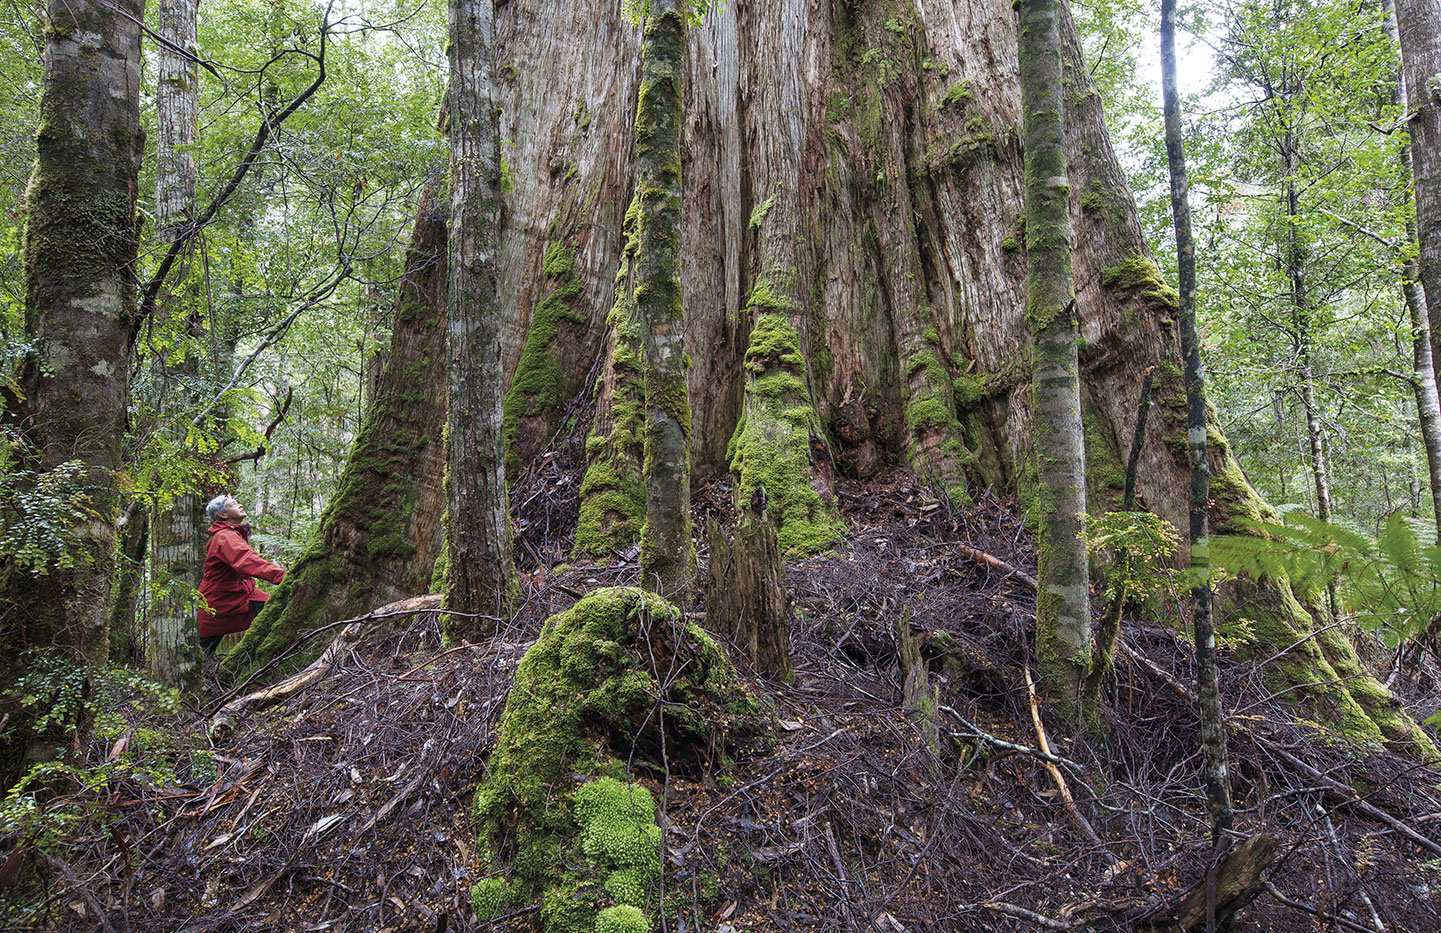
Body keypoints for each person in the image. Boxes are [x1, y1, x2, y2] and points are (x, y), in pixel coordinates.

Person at [197, 494, 286, 657]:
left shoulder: (230, 534)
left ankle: (265, 656)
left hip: (241, 595)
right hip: (217, 602)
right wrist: (284, 577)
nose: (239, 505)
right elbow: (248, 561)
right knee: (203, 653)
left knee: (275, 608)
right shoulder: (225, 537)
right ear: (223, 515)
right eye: (233, 504)